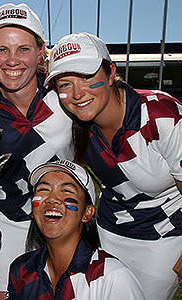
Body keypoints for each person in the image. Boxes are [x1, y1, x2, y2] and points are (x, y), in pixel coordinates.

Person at [46, 32, 182, 300]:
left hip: (163, 238)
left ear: (111, 74)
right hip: (109, 231)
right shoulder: (73, 121)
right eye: (65, 84)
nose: (77, 94)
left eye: (87, 77)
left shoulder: (162, 115)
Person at [0, 3, 74, 299]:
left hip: (65, 217)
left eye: (23, 49)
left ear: (41, 50)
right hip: (10, 220)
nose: (12, 60)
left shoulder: (68, 96)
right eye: (2, 50)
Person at [7, 159, 145, 299]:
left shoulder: (112, 277)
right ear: (32, 210)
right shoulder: (21, 270)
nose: (52, 199)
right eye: (44, 189)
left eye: (66, 191)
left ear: (87, 213)